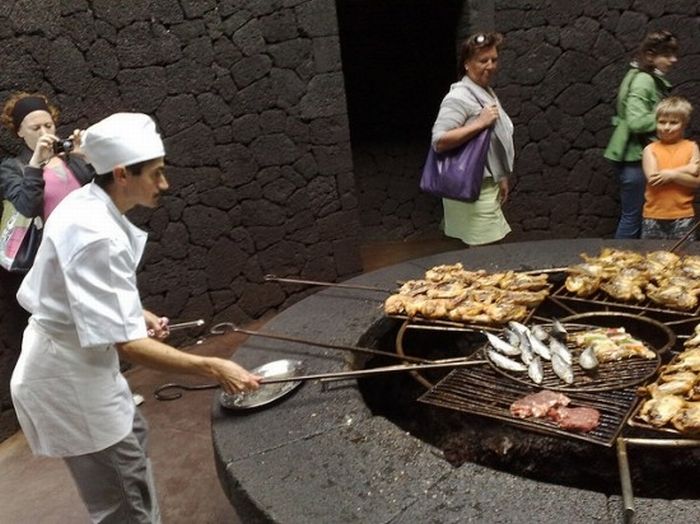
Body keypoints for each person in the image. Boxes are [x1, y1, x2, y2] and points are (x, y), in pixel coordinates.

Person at [10, 112, 261, 523]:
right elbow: (128, 345)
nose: (165, 184)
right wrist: (213, 367)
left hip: (75, 363)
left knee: (134, 440)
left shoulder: (87, 200)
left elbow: (79, 292)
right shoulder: (97, 235)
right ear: (123, 173)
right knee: (126, 504)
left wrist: (135, 313)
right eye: (157, 174)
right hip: (70, 380)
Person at [430, 31, 515, 246]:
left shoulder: (483, 91)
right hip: (472, 189)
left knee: (483, 255)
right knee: (487, 254)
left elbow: (493, 141)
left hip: (485, 186)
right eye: (483, 60)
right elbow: (439, 141)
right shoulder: (459, 96)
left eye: (494, 60)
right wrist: (480, 123)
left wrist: (501, 175)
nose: (490, 65)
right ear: (467, 64)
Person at [604, 30, 679, 239]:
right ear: (650, 55)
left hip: (635, 158)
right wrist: (668, 117)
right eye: (667, 54)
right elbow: (636, 122)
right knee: (632, 217)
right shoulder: (644, 81)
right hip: (635, 159)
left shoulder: (639, 76)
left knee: (634, 215)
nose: (673, 60)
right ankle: (619, 265)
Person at [640, 96, 700, 240]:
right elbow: (654, 179)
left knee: (684, 258)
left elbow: (697, 182)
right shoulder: (650, 149)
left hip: (684, 216)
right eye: (662, 122)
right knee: (651, 258)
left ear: (684, 124)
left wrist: (672, 175)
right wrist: (688, 169)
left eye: (673, 122)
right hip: (653, 216)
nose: (666, 127)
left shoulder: (692, 147)